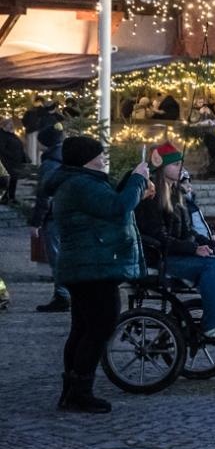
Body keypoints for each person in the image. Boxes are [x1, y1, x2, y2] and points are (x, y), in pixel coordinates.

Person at [44, 135, 150, 412]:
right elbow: (115, 208)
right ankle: (79, 393)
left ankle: (72, 390)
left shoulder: (81, 182)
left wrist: (134, 184)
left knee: (83, 328)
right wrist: (137, 180)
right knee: (100, 326)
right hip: (92, 267)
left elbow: (111, 202)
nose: (104, 160)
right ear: (87, 160)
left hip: (88, 265)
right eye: (100, 156)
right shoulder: (80, 184)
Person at [136, 143, 215, 341]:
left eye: (181, 164)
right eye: (176, 164)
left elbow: (189, 231)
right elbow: (158, 236)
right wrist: (194, 249)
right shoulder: (151, 196)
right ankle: (213, 325)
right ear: (162, 167)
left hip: (180, 252)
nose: (181, 168)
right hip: (161, 257)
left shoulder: (177, 194)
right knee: (214, 265)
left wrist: (211, 245)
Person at [29, 118, 71, 313]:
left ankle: (62, 295)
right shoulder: (66, 158)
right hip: (66, 214)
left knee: (57, 257)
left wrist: (36, 221)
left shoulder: (50, 163)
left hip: (54, 217)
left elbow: (45, 193)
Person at [0, 118, 25, 203]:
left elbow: (19, 144)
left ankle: (11, 197)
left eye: (11, 124)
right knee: (6, 180)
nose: (11, 126)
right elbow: (1, 149)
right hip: (6, 161)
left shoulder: (12, 134)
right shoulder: (2, 135)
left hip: (14, 161)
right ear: (4, 126)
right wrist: (11, 155)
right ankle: (4, 197)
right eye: (9, 124)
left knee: (14, 179)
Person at [22, 96, 47, 164]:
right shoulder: (44, 111)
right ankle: (38, 165)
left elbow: (24, 122)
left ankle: (33, 165)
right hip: (40, 132)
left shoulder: (30, 111)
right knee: (39, 151)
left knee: (31, 150)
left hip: (32, 132)